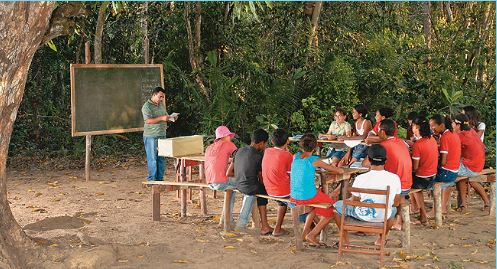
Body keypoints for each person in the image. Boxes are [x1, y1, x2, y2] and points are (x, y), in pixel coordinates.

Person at [333, 144, 401, 246]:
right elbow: (396, 203)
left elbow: (355, 202)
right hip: (383, 215)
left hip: (363, 215)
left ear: (368, 160)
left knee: (336, 206)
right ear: (385, 160)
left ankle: (344, 238)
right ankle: (381, 239)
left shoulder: (361, 178)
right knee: (393, 210)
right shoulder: (394, 178)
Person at [290, 133, 345, 247]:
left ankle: (306, 233)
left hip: (294, 195)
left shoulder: (295, 156)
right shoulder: (314, 160)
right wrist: (341, 169)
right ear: (315, 147)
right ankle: (312, 234)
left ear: (300, 145)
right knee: (331, 208)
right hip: (307, 196)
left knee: (316, 203)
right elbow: (337, 171)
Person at [227, 129, 273, 235]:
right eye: (265, 144)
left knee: (258, 188)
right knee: (263, 191)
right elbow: (261, 176)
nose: (265, 146)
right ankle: (265, 226)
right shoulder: (259, 156)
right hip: (249, 187)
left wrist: (243, 174)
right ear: (261, 143)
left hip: (237, 184)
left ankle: (263, 225)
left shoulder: (239, 151)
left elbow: (229, 173)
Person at [374, 119, 412, 230]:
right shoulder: (400, 142)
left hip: (399, 187)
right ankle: (398, 219)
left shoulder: (384, 145)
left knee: (372, 185)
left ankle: (381, 218)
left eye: (379, 130)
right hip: (407, 183)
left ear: (383, 132)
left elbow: (366, 163)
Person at [452, 113, 489, 212]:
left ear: (458, 125)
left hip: (472, 167)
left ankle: (442, 207)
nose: (451, 125)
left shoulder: (461, 136)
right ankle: (464, 204)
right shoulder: (471, 131)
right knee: (464, 178)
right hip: (477, 164)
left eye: (452, 123)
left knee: (447, 171)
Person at [261, 128, 294, 236]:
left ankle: (278, 229)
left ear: (272, 141)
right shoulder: (287, 155)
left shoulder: (267, 151)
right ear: (287, 141)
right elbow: (291, 175)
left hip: (268, 188)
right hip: (281, 192)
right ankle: (278, 228)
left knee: (282, 198)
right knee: (303, 193)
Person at [142, 87, 177, 181]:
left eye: (163, 97)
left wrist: (171, 117)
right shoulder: (146, 106)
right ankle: (152, 180)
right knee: (153, 159)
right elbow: (148, 120)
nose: (161, 99)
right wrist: (162, 118)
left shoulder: (161, 105)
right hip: (151, 136)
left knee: (161, 158)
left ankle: (160, 179)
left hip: (162, 134)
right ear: (154, 95)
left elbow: (165, 116)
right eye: (160, 97)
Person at [204, 125, 237, 226]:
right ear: (224, 136)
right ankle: (228, 220)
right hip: (221, 182)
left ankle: (225, 219)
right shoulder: (228, 144)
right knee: (245, 184)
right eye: (228, 135)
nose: (230, 138)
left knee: (231, 189)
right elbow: (240, 157)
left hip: (210, 182)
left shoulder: (209, 147)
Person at [429, 114, 461, 215]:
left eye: (433, 125)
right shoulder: (453, 133)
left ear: (441, 125)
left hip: (447, 172)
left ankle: (436, 209)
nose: (431, 128)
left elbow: (443, 162)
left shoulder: (445, 137)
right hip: (454, 170)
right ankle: (442, 207)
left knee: (427, 178)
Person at [409, 117, 438, 224]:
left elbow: (415, 167)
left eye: (413, 126)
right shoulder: (432, 139)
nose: (412, 128)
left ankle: (422, 213)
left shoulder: (418, 145)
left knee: (408, 181)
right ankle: (418, 209)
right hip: (433, 175)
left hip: (423, 178)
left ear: (417, 128)